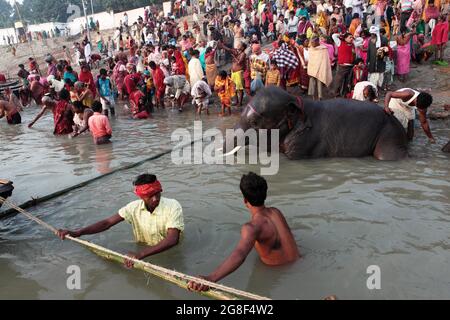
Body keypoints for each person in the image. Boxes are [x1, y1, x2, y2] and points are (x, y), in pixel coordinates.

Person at [188, 172, 299, 291]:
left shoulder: (252, 227)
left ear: (245, 200)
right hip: (297, 265)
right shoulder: (276, 212)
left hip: (276, 273)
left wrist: (210, 279)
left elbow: (240, 254)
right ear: (265, 195)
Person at [57, 174, 184, 268]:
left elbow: (172, 240)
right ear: (140, 196)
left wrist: (140, 254)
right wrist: (77, 233)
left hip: (168, 251)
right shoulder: (133, 207)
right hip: (143, 249)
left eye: (157, 193)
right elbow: (107, 223)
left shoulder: (173, 206)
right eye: (150, 195)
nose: (155, 198)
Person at [307, 35, 333, 101]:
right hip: (312, 69)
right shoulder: (311, 49)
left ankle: (320, 98)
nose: (312, 44)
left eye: (313, 42)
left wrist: (323, 69)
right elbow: (310, 60)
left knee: (320, 83)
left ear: (317, 42)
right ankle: (313, 98)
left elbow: (325, 61)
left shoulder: (323, 49)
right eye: (311, 42)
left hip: (321, 69)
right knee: (312, 83)